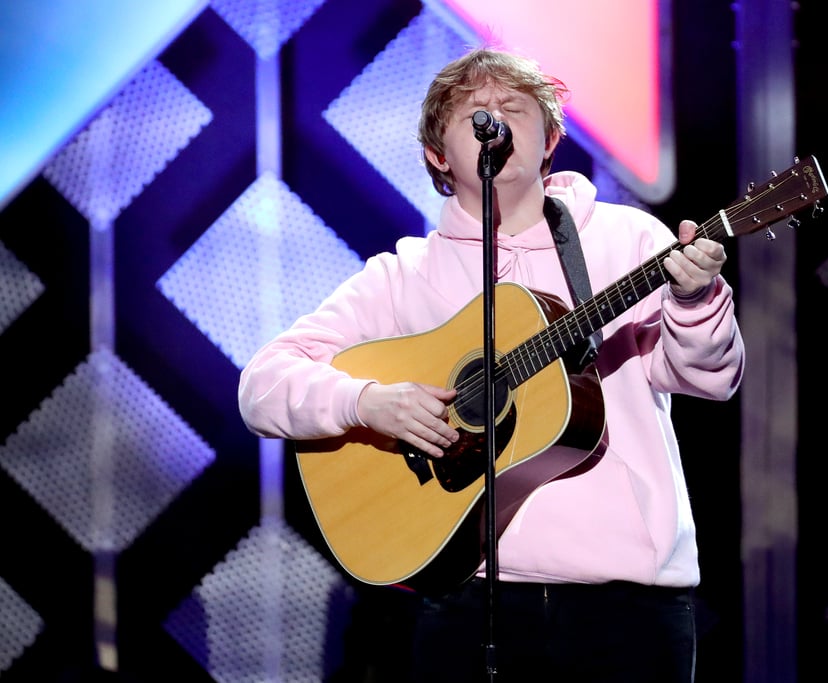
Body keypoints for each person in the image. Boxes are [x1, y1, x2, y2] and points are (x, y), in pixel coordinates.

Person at [238, 47, 744, 683]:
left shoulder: (630, 240)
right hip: (465, 601)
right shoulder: (405, 274)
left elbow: (712, 379)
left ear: (550, 139)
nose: (495, 119)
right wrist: (367, 403)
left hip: (628, 608)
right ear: (438, 155)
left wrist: (696, 299)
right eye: (474, 113)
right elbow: (261, 385)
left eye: (514, 109)